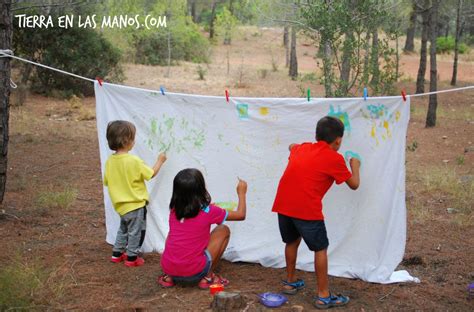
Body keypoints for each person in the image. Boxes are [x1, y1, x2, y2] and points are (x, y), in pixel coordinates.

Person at [272, 116, 360, 309]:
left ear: (316, 135)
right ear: (338, 140)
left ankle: (290, 281)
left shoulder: (301, 148)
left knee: (291, 242)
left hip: (283, 205)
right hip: (306, 209)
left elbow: (291, 146)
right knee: (320, 249)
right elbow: (354, 185)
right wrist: (355, 166)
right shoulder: (334, 158)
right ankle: (323, 295)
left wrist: (294, 147)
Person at [158, 168, 247, 289]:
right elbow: (241, 215)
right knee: (223, 230)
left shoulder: (174, 210)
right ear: (201, 189)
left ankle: (168, 277)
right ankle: (207, 277)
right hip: (194, 272)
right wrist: (241, 193)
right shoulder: (209, 211)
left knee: (173, 233)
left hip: (168, 267)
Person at [104, 120, 167, 267]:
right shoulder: (133, 160)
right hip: (135, 205)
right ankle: (132, 258)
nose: (134, 141)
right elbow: (150, 174)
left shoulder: (110, 161)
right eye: (133, 138)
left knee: (123, 228)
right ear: (127, 141)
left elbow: (107, 181)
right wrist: (160, 161)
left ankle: (117, 254)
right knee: (135, 231)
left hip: (120, 206)